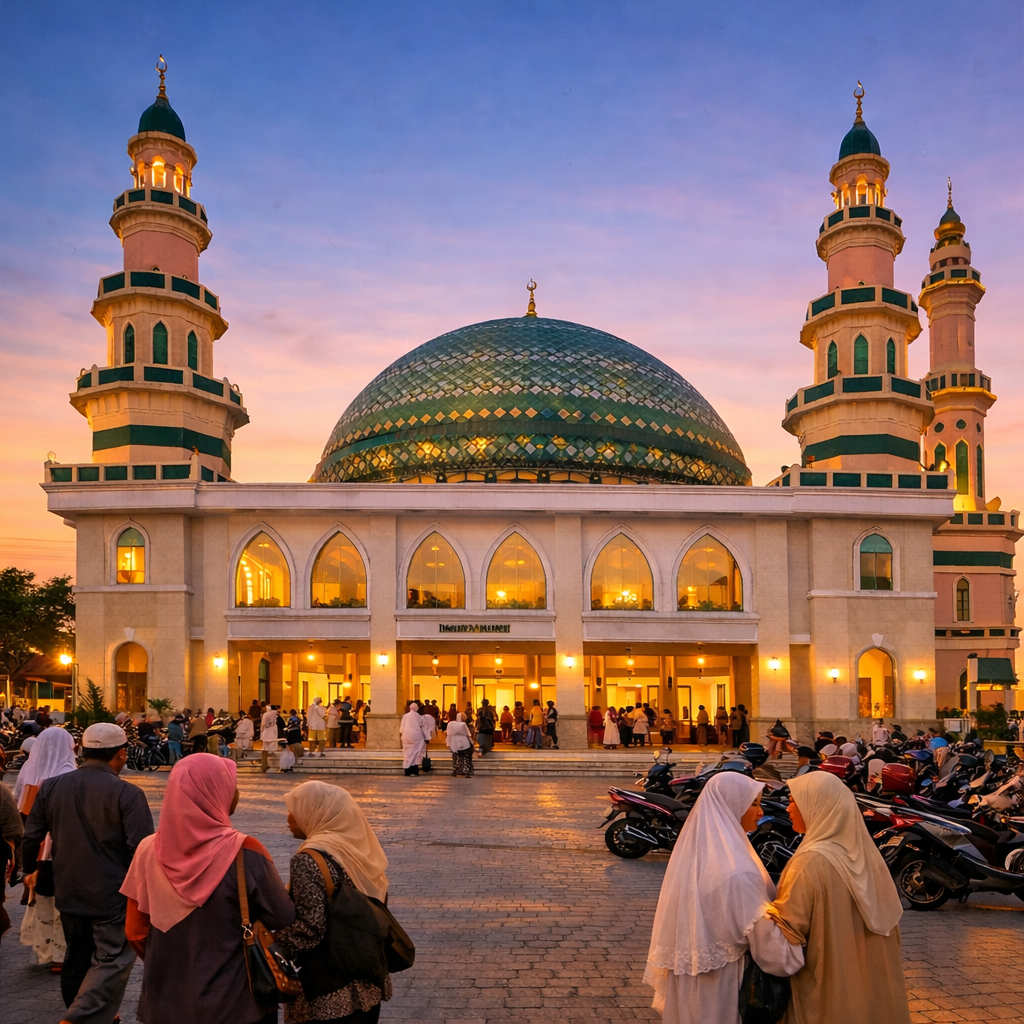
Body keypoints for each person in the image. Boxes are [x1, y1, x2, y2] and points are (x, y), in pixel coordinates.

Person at [121, 754, 295, 1024]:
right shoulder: (245, 851)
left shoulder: (147, 850)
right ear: (214, 792)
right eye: (231, 785)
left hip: (167, 1002)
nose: (236, 793)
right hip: (236, 1002)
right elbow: (282, 916)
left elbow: (134, 930)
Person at [22, 722, 154, 1024]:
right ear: (121, 754)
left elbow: (32, 836)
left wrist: (30, 870)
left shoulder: (52, 786)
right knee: (110, 958)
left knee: (76, 957)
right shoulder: (128, 793)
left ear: (82, 750)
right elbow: (142, 849)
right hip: (113, 893)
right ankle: (84, 1017)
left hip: (68, 888)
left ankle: (85, 1012)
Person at [644, 773, 803, 1022]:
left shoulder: (698, 858)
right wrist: (798, 955)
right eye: (753, 803)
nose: (760, 812)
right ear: (731, 805)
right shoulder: (738, 871)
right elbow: (764, 940)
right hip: (725, 984)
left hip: (692, 979)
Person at [767, 771, 910, 1022]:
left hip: (829, 993)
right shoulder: (869, 859)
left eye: (793, 801)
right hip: (875, 995)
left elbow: (787, 933)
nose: (788, 808)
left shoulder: (808, 864)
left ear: (815, 806)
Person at [274, 781, 392, 1023]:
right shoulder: (360, 851)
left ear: (315, 811)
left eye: (294, 809)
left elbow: (311, 926)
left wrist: (274, 948)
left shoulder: (308, 859)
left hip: (329, 990)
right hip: (367, 980)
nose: (288, 817)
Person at [16, 727, 78, 970]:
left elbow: (26, 815)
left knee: (44, 899)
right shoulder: (69, 774)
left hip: (39, 846)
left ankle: (47, 951)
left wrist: (27, 866)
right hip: (63, 845)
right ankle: (62, 955)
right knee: (63, 901)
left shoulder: (29, 771)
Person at [400, 702, 431, 776]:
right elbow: (424, 728)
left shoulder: (405, 716)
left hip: (406, 736)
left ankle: (407, 770)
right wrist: (427, 737)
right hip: (417, 736)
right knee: (415, 753)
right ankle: (413, 770)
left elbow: (402, 728)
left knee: (407, 753)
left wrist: (404, 734)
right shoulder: (419, 717)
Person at [446, 712, 475, 777]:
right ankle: (466, 771)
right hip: (464, 743)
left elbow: (448, 734)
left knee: (456, 758)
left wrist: (448, 743)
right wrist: (472, 742)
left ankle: (456, 770)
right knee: (466, 758)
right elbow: (468, 734)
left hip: (454, 743)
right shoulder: (463, 725)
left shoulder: (450, 724)